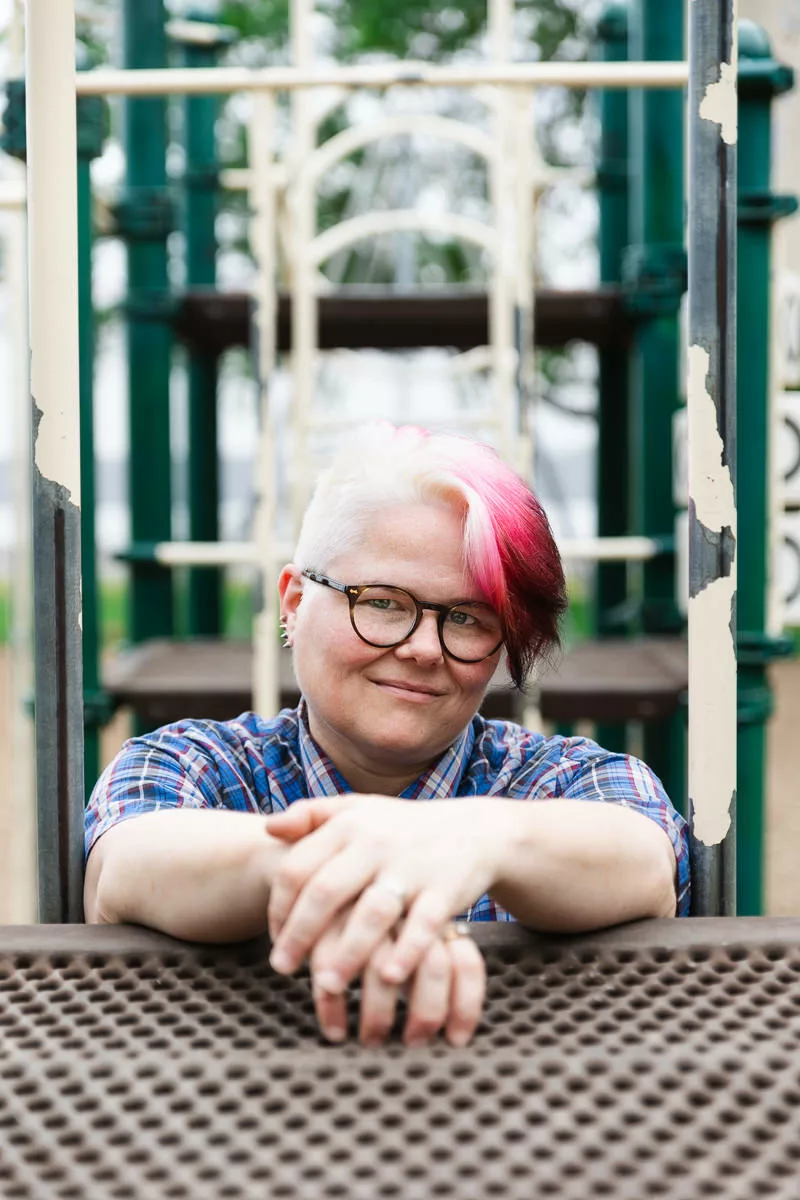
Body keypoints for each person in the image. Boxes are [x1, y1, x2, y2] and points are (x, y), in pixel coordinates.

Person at [85, 423, 689, 1049]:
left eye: (466, 618)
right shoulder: (193, 762)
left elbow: (645, 860)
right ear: (293, 603)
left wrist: (474, 837)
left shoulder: (560, 780)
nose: (425, 648)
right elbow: (125, 865)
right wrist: (364, 865)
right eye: (382, 603)